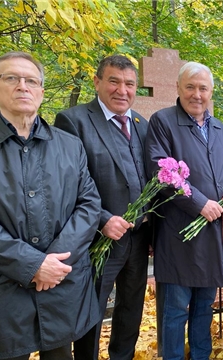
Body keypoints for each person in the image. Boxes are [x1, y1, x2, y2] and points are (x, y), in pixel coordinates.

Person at [0, 51, 101, 360]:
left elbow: (89, 203)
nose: (22, 86)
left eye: (31, 80)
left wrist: (54, 260)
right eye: (11, 78)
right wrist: (33, 265)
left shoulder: (69, 145)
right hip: (2, 291)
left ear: (41, 91)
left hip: (62, 283)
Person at [145, 61, 223, 360]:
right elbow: (161, 172)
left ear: (211, 91)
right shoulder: (163, 122)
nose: (197, 94)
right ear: (178, 88)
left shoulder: (218, 127)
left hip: (214, 231)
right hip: (180, 232)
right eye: (190, 86)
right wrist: (199, 203)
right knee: (176, 310)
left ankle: (201, 355)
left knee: (205, 307)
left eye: (203, 88)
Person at [54, 55, 152, 360]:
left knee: (131, 310)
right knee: (91, 312)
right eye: (114, 81)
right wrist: (102, 220)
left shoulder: (141, 124)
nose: (122, 90)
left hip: (138, 238)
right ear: (97, 82)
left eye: (129, 84)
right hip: (98, 240)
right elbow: (66, 184)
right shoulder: (74, 121)